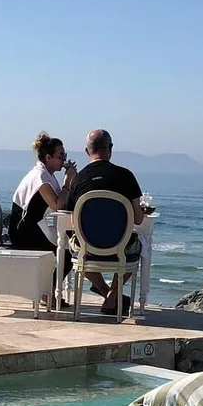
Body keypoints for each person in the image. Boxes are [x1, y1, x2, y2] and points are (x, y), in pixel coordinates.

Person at [67, 128, 144, 315]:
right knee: (139, 245)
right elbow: (139, 219)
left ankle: (105, 291)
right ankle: (112, 294)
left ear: (87, 151)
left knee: (73, 248)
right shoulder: (126, 176)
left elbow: (72, 218)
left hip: (88, 249)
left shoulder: (78, 179)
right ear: (110, 148)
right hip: (121, 249)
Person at [9, 131, 77, 261]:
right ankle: (50, 282)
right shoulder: (40, 178)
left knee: (69, 249)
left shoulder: (46, 175)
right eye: (61, 156)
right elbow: (57, 205)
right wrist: (67, 182)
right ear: (48, 157)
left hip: (30, 228)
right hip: (22, 233)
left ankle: (50, 281)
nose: (64, 160)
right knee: (67, 255)